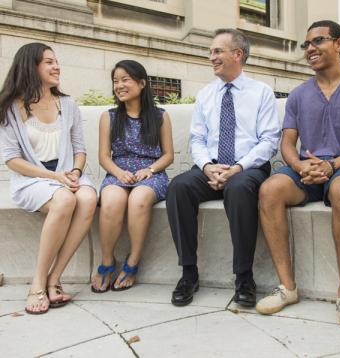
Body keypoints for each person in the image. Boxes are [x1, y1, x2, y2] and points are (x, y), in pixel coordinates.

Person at [255, 20, 340, 331]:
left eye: (318, 41)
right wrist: (298, 166)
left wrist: (332, 166)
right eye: (306, 44)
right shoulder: (298, 94)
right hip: (306, 168)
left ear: (339, 44)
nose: (310, 49)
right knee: (270, 190)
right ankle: (287, 287)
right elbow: (287, 142)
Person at [166, 28, 280, 307]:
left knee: (239, 189)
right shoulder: (206, 94)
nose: (211, 57)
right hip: (211, 167)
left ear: (237, 54)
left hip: (248, 168)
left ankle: (244, 277)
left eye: (217, 51)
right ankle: (188, 273)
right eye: (211, 51)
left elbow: (269, 140)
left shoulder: (262, 92)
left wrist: (238, 167)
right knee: (178, 187)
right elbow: (198, 138)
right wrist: (207, 167)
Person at [0, 43, 97, 314]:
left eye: (56, 61)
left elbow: (79, 149)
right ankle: (37, 284)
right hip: (32, 179)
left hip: (67, 172)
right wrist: (54, 176)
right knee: (65, 199)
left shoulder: (68, 104)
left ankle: (55, 279)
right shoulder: (10, 107)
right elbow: (12, 160)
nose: (57, 67)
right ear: (31, 67)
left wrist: (75, 172)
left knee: (89, 197)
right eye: (48, 62)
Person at [90, 60, 173, 292]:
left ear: (142, 83)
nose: (119, 85)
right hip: (119, 172)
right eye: (116, 81)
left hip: (150, 174)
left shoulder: (159, 116)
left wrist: (150, 170)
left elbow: (168, 155)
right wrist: (118, 173)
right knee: (111, 201)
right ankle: (107, 261)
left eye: (125, 79)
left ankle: (133, 261)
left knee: (138, 200)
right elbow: (104, 156)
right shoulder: (109, 117)